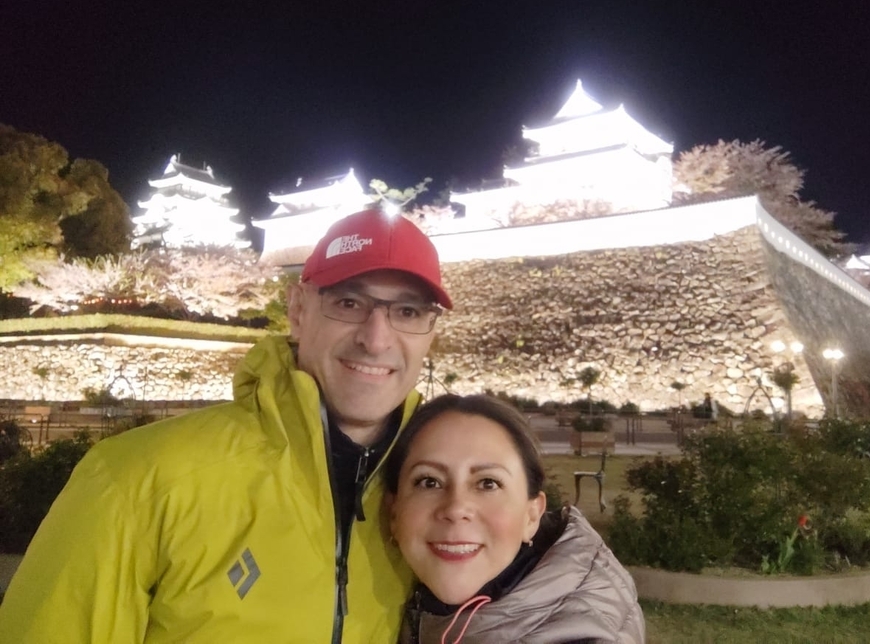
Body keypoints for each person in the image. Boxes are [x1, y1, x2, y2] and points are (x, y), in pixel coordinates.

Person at [0, 207, 453, 643]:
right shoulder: (138, 480)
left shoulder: (434, 501)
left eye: (408, 312)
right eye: (349, 302)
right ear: (298, 310)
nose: (375, 339)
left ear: (431, 332)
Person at [384, 394, 645, 644]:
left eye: (488, 483)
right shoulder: (414, 603)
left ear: (531, 515)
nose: (456, 508)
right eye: (429, 482)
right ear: (393, 510)